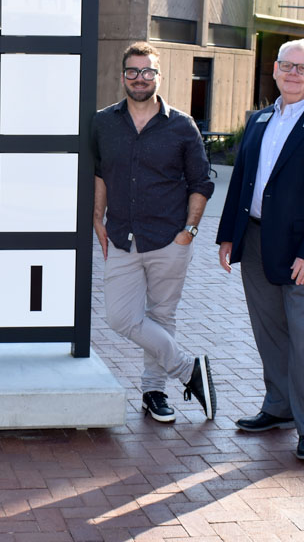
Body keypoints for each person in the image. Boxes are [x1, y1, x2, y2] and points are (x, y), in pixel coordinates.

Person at [216, 39, 304, 461]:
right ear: (274, 70)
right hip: (254, 241)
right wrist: (228, 235)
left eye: (303, 67)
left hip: (300, 251)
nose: (293, 73)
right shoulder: (258, 121)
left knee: (301, 337)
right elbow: (241, 182)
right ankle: (278, 408)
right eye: (286, 65)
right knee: (268, 331)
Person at [91, 41, 216, 423]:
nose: (140, 78)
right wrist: (97, 218)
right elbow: (99, 174)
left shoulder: (181, 125)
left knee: (162, 317)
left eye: (148, 71)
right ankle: (189, 369)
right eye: (133, 71)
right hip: (122, 237)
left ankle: (154, 393)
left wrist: (189, 231)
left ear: (158, 76)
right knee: (121, 318)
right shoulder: (102, 123)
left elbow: (201, 181)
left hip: (169, 238)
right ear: (123, 76)